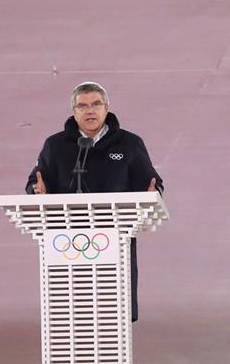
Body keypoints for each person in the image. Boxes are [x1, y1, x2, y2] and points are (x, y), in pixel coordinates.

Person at [26, 81, 163, 322]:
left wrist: (151, 194)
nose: (90, 110)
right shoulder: (56, 145)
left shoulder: (130, 144)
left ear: (107, 108)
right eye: (82, 106)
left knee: (113, 315)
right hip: (67, 240)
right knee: (71, 315)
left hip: (115, 239)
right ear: (74, 112)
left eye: (96, 104)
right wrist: (37, 191)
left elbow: (153, 183)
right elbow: (35, 184)